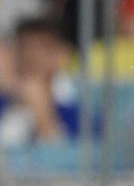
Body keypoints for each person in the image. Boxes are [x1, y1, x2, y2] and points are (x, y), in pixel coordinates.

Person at [0, 17, 79, 148]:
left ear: (62, 56)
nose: (31, 57)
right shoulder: (4, 102)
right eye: (24, 47)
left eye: (42, 48)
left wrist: (44, 118)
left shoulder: (78, 115)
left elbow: (71, 164)